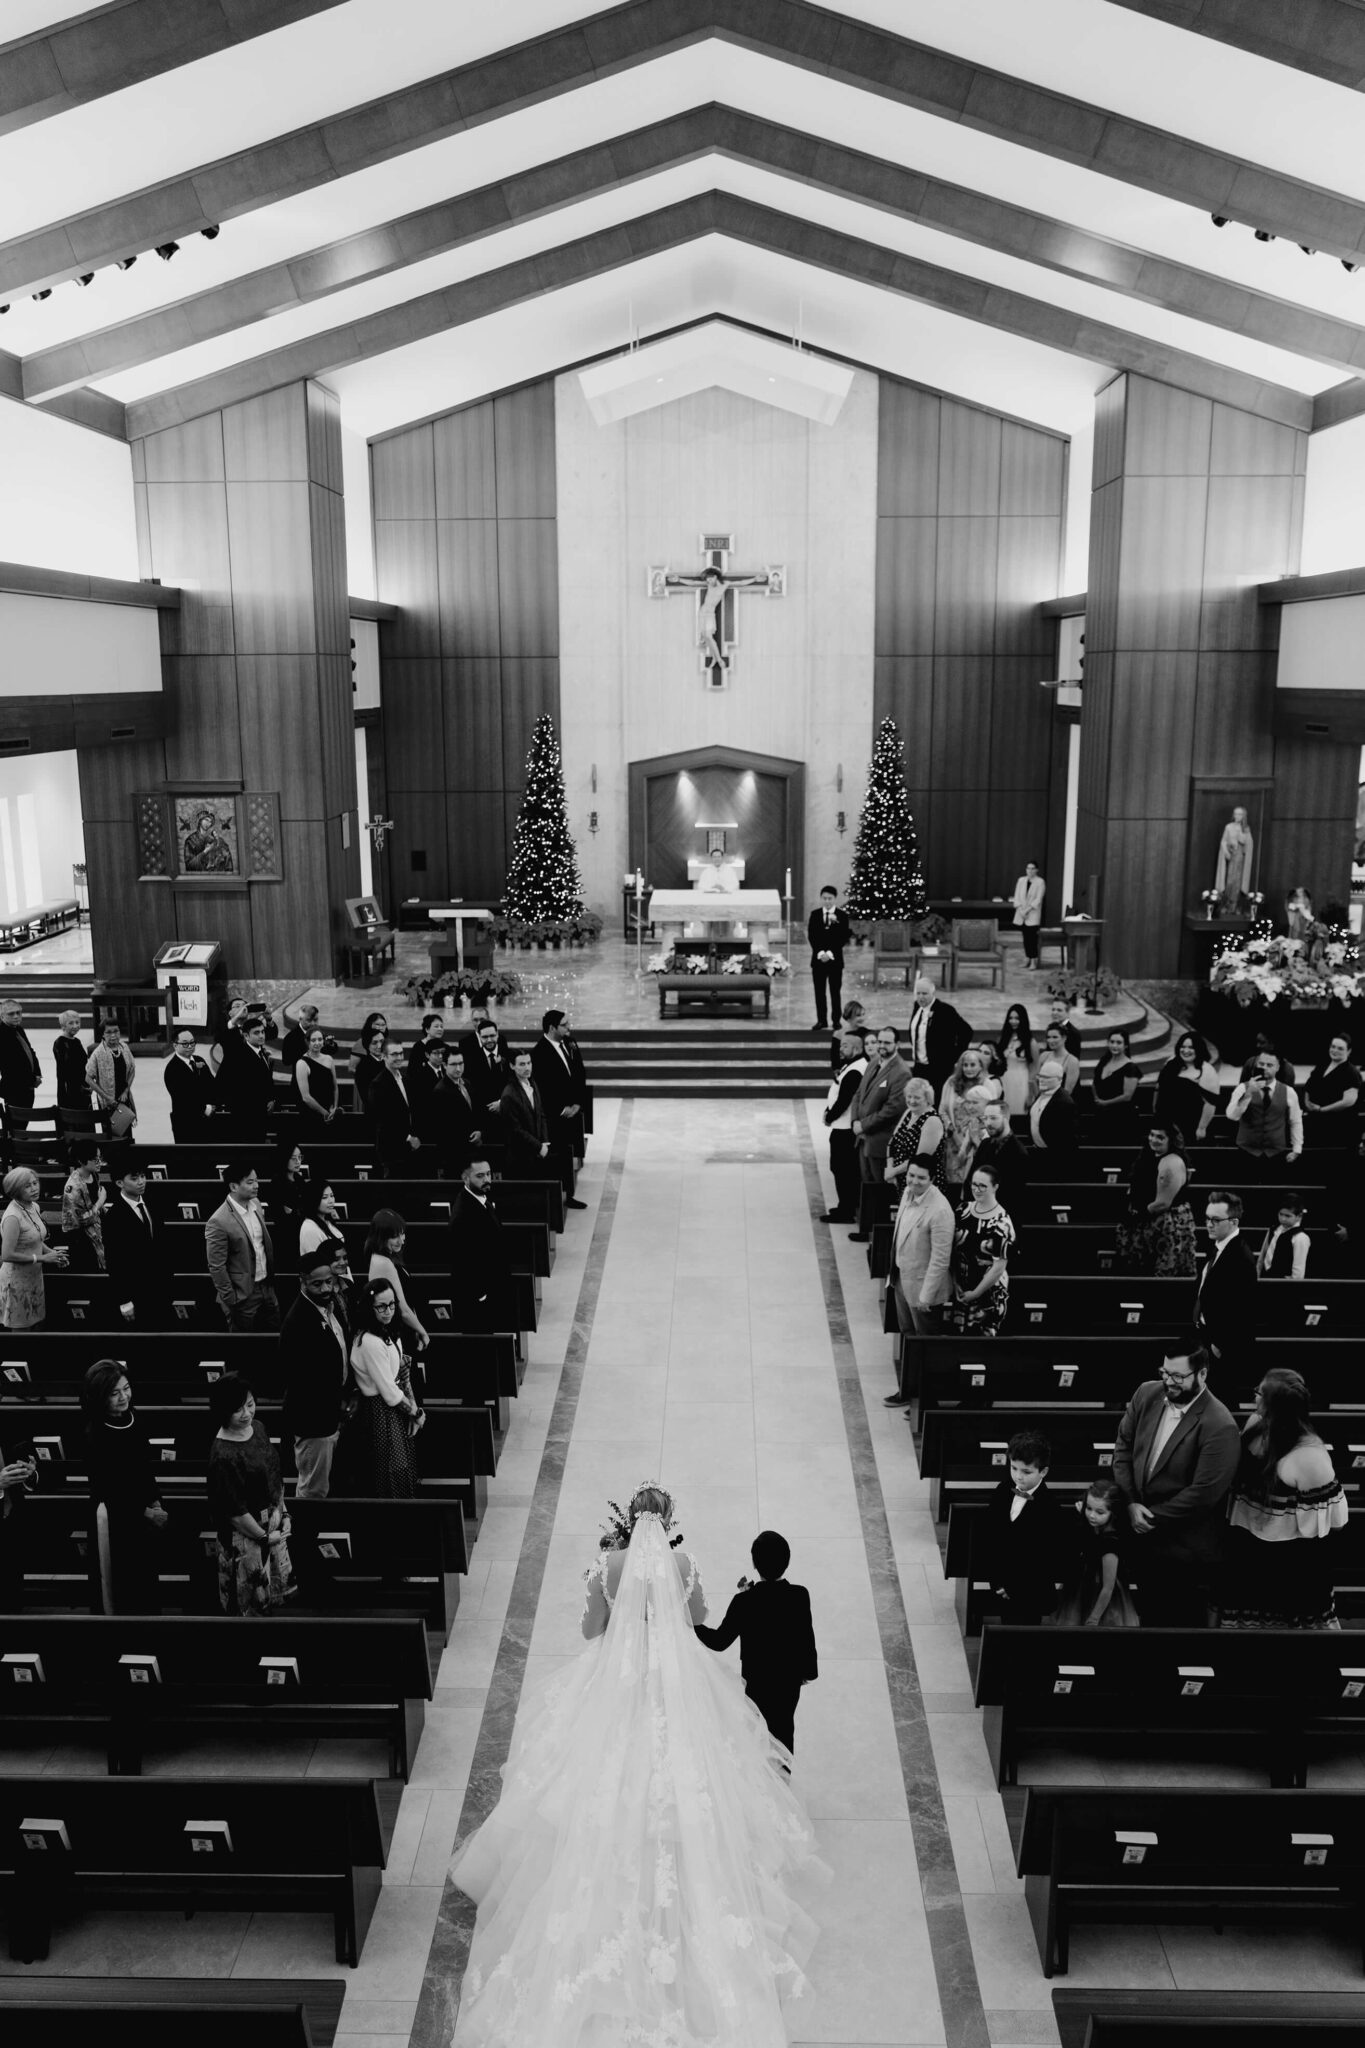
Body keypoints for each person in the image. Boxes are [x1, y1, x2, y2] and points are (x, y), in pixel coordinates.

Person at [449, 1485, 825, 2046]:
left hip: (618, 1683)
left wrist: (605, 1593)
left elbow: (590, 1631)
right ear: (668, 1521)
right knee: (692, 1770)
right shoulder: (684, 1562)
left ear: (630, 1521)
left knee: (595, 1769)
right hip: (673, 1681)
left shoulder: (609, 1563)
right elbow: (695, 1619)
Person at [1110, 1339, 1241, 1625]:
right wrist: (1132, 1503)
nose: (1169, 1382)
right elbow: (1123, 1449)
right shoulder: (1146, 1393)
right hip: (1142, 1539)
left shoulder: (1220, 1424)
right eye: (1165, 1372)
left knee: (1178, 1632)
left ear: (1203, 1374)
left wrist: (1150, 1517)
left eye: (1178, 1376)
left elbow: (1204, 1494)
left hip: (1184, 1553)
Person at [1219, 1367, 1348, 1630]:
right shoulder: (1255, 1425)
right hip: (1249, 1551)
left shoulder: (1309, 1456)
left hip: (1291, 1566)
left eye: (1259, 1393)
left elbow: (1338, 1521)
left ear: (1273, 1404)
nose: (1254, 1398)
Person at [695, 1528, 819, 1752]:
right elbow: (806, 1637)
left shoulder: (744, 1601)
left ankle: (761, 1782)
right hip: (788, 1681)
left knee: (756, 1735)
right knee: (784, 1730)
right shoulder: (800, 1595)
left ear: (755, 1563)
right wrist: (809, 1672)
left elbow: (719, 1641)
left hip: (757, 1680)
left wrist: (692, 1625)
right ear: (786, 1561)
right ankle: (783, 1778)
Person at [82, 1361, 167, 1614]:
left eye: (126, 1389)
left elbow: (144, 1468)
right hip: (115, 1519)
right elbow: (107, 1487)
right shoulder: (94, 1433)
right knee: (121, 1587)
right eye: (114, 1393)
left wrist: (156, 1502)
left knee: (146, 1583)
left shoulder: (133, 1419)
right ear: (100, 1396)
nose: (123, 1397)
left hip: (143, 1513)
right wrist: (146, 1513)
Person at [206, 1374, 295, 1616]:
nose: (247, 1413)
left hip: (271, 1524)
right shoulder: (223, 1456)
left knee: (275, 1598)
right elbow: (234, 1513)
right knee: (251, 1607)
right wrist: (265, 1537)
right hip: (246, 1539)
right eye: (237, 1409)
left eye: (250, 1404)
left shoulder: (257, 1428)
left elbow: (274, 1474)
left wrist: (284, 1512)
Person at [981, 1430, 1073, 1625]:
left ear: (1043, 1472)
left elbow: (1043, 1558)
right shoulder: (1003, 1489)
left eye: (1026, 1472)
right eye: (1014, 1468)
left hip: (1030, 1590)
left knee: (1024, 1634)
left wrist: (1014, 1587)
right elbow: (991, 1535)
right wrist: (997, 1581)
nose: (1018, 1477)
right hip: (1001, 1580)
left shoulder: (1049, 1507)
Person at [281, 1254, 354, 1501]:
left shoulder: (330, 1307)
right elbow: (302, 1381)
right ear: (302, 1282)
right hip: (314, 1420)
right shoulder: (298, 1321)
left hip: (334, 1413)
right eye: (317, 1284)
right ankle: (303, 1538)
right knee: (313, 1490)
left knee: (332, 1484)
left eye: (329, 1282)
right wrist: (336, 1405)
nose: (325, 1288)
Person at [349, 1276, 423, 1496]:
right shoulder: (370, 1341)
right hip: (379, 1411)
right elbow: (389, 1393)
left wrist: (413, 1407)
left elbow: (402, 1372)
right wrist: (416, 1413)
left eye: (392, 1304)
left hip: (395, 1408)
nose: (388, 1311)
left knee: (402, 1468)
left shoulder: (390, 1331)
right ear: (369, 1308)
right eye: (381, 1306)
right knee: (389, 1472)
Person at [1053, 1478, 1139, 1629]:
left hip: (1102, 1600)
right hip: (1082, 1589)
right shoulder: (1092, 1526)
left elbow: (1108, 1587)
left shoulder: (1110, 1543)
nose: (1092, 1515)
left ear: (1114, 1513)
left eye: (1100, 1512)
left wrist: (1093, 1619)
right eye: (1089, 1508)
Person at [205, 1159, 279, 1332]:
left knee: (275, 1335)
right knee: (245, 1347)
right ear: (233, 1187)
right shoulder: (218, 1221)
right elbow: (216, 1266)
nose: (256, 1185)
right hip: (243, 1294)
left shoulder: (257, 1204)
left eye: (257, 1181)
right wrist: (231, 1298)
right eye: (250, 1182)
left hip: (267, 1286)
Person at [887, 1157, 955, 1345]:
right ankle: (909, 1373)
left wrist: (927, 1296)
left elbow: (940, 1260)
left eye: (921, 1178)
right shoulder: (908, 1192)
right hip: (902, 1278)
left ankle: (921, 1375)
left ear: (932, 1179)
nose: (914, 1181)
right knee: (907, 1332)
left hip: (924, 1288)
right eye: (911, 1175)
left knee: (925, 1340)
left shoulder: (940, 1210)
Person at [1114, 1122, 1196, 1276]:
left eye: (1160, 1137)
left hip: (1165, 1225)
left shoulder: (1171, 1162)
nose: (1154, 1139)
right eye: (1152, 1135)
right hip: (1143, 1221)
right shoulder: (1147, 1155)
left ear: (1170, 1140)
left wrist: (1137, 1215)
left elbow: (1163, 1203)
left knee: (1163, 1270)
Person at [849, 1024, 910, 1228]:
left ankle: (879, 1235)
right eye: (880, 1041)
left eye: (887, 1042)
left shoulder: (901, 1072)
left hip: (880, 1140)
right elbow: (859, 1094)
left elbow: (892, 1109)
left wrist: (863, 1125)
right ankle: (866, 1229)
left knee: (880, 1190)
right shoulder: (873, 1062)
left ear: (897, 1044)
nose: (882, 1046)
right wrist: (855, 1121)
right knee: (866, 1186)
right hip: (863, 1137)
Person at [102, 1153, 173, 1326]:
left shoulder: (153, 1202)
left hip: (160, 1285)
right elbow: (115, 1262)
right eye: (135, 1178)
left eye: (142, 1176)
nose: (141, 1182)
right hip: (135, 1290)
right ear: (120, 1183)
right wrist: (124, 1300)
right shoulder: (113, 1217)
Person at [1194, 1189, 1259, 1374]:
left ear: (1234, 1222)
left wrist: (1220, 1344)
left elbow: (1243, 1307)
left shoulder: (1240, 1257)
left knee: (1223, 1397)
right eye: (1207, 1218)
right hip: (1207, 1334)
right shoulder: (1217, 1246)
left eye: (1215, 1220)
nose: (1208, 1224)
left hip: (1223, 1344)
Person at [448, 1156, 513, 1332]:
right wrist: (481, 1295)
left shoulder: (480, 1198)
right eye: (480, 1176)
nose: (486, 1180)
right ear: (466, 1178)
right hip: (477, 1298)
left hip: (491, 1288)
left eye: (488, 1174)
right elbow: (463, 1259)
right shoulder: (463, 1214)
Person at [531, 1010, 590, 1201]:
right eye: (565, 1024)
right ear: (552, 1028)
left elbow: (579, 1074)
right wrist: (562, 1108)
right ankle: (561, 1196)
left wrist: (577, 1103)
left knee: (569, 1151)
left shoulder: (570, 1044)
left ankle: (569, 1193)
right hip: (556, 1115)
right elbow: (543, 1087)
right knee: (559, 1154)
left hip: (573, 1110)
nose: (569, 1027)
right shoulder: (539, 1053)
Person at [950, 1161, 1015, 1335]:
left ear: (995, 1187)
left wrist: (976, 1293)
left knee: (981, 1342)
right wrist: (954, 1281)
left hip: (987, 1290)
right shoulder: (962, 1210)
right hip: (962, 1285)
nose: (977, 1189)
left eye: (983, 1186)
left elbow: (998, 1267)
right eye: (974, 1184)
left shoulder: (1002, 1222)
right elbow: (953, 1251)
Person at [0, 1167, 66, 1328]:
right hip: (16, 1282)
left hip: (34, 1276)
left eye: (35, 1183)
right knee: (21, 1328)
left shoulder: (34, 1206)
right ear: (15, 1190)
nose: (34, 1188)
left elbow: (35, 1238)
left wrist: (52, 1253)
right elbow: (7, 1254)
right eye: (27, 1186)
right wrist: (42, 1258)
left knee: (34, 1322)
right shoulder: (12, 1218)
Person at [365, 1207, 430, 1355]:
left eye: (402, 1233)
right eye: (395, 1236)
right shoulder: (383, 1263)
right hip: (397, 1332)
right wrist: (422, 1331)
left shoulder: (386, 1256)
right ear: (381, 1237)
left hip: (402, 1329)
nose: (401, 1240)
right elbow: (403, 1309)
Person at [938, 1046, 1004, 1192]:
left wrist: (975, 1138)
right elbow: (942, 1110)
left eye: (973, 1064)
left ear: (981, 1065)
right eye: (965, 1065)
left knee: (975, 1182)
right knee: (954, 1184)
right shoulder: (951, 1082)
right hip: (953, 1140)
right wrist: (952, 1131)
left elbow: (992, 1112)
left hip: (978, 1141)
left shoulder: (988, 1084)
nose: (968, 1069)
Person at [1227, 1050, 1303, 1175]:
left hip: (1276, 1153)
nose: (1264, 1068)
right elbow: (1231, 1116)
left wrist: (1297, 1148)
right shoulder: (1242, 1088)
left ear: (1278, 1067)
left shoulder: (1289, 1092)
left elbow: (1295, 1121)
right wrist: (1248, 1094)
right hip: (1246, 1152)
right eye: (1261, 1064)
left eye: (1269, 1065)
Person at [820, 1029, 868, 1222]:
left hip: (844, 1128)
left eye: (845, 1045)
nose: (841, 1049)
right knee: (842, 1168)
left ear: (856, 1048)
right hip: (842, 1126)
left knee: (842, 1169)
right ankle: (846, 1205)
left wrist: (829, 1116)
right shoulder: (853, 1065)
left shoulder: (856, 1070)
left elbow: (845, 1099)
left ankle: (846, 1210)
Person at [905, 975, 971, 1098]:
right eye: (918, 993)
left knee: (935, 1101)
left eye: (924, 994)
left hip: (938, 1069)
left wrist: (954, 1056)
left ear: (932, 993)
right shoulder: (917, 1006)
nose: (920, 997)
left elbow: (966, 1032)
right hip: (919, 1066)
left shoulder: (945, 1010)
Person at [963, 1099, 1029, 1219]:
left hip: (1003, 1217)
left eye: (993, 1118)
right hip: (979, 1211)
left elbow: (1013, 1196)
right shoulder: (985, 1144)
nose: (988, 1123)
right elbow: (970, 1180)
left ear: (1006, 1118)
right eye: (985, 1118)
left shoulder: (1018, 1152)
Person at [499, 1048, 556, 1182]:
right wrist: (539, 1146)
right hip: (520, 1157)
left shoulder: (532, 1084)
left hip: (536, 1152)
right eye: (522, 1064)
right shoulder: (509, 1094)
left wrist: (545, 1141)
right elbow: (516, 1130)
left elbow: (540, 1114)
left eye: (529, 1063)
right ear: (512, 1066)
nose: (527, 1068)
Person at [885, 1075, 948, 1193]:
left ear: (927, 1099)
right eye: (909, 1096)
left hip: (923, 1182)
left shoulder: (932, 1120)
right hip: (903, 1179)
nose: (912, 1101)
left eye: (917, 1097)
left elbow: (919, 1160)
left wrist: (894, 1171)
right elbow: (892, 1143)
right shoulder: (909, 1112)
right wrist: (889, 1168)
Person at [217, 1015, 275, 1141]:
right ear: (246, 1036)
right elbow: (221, 1082)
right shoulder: (235, 1054)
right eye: (256, 1033)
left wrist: (271, 1099)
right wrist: (237, 1107)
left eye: (263, 1032)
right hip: (243, 1116)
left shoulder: (262, 1052)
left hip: (261, 1114)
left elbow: (265, 1080)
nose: (261, 1036)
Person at [1154, 1032, 1220, 1142]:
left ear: (1199, 1049)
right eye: (1183, 1047)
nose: (1185, 1051)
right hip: (1165, 1121)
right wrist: (1155, 1112)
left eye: (1191, 1047)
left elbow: (1210, 1103)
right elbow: (1159, 1087)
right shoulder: (1171, 1063)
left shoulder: (1207, 1070)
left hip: (1190, 1124)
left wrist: (1201, 1128)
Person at [369, 1040, 421, 1175]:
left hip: (409, 1148)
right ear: (384, 1056)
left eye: (401, 1053)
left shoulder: (406, 1079)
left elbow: (412, 1110)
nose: (399, 1057)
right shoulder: (378, 1084)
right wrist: (409, 1138)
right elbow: (384, 1119)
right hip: (390, 1149)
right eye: (394, 1054)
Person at [1303, 1033, 1361, 1150]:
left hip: (1338, 1126)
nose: (1335, 1050)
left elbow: (1348, 1101)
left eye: (1340, 1048)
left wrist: (1321, 1110)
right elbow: (1308, 1087)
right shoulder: (1322, 1065)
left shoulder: (1351, 1073)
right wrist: (1308, 1104)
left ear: (1349, 1051)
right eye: (1333, 1046)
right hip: (1315, 1121)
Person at [807, 884, 851, 1032]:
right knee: (819, 992)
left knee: (834, 991)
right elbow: (812, 936)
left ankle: (836, 1021)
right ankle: (821, 1020)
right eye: (824, 898)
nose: (827, 901)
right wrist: (820, 953)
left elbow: (842, 937)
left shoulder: (842, 916)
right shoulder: (815, 915)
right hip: (818, 960)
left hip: (835, 960)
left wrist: (830, 954)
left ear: (835, 899)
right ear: (821, 899)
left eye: (830, 898)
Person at [431, 1045, 479, 1178]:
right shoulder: (440, 1091)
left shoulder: (467, 1083)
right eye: (453, 1064)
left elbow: (474, 1114)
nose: (458, 1068)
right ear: (444, 1065)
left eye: (461, 1063)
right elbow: (444, 1129)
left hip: (471, 1152)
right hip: (454, 1156)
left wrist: (479, 1131)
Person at [84, 1017, 137, 1139]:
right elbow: (88, 1078)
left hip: (124, 1100)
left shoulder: (124, 1048)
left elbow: (132, 1070)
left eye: (116, 1031)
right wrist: (107, 1097)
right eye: (109, 1032)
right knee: (112, 1136)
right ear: (102, 1034)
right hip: (108, 1103)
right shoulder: (98, 1053)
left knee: (127, 1134)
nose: (113, 1035)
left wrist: (126, 1091)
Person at [60, 1137, 106, 1273]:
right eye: (95, 1159)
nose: (100, 1162)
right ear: (81, 1161)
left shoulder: (93, 1175)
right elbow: (79, 1220)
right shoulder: (73, 1187)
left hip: (97, 1229)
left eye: (100, 1157)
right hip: (81, 1238)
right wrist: (100, 1201)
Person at [164, 1029, 217, 1142]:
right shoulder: (172, 1069)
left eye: (192, 1042)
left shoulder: (199, 1060)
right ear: (175, 1045)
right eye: (185, 1043)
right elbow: (183, 1098)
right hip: (186, 1124)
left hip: (208, 1122)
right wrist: (205, 1108)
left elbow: (212, 1085)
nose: (190, 1046)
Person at [296, 1180, 351, 1287]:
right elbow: (316, 1266)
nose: (331, 1201)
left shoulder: (327, 1221)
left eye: (332, 1196)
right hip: (327, 1286)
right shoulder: (310, 1228)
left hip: (338, 1281)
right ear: (313, 1200)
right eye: (325, 1197)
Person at [1090, 1027, 1140, 1136]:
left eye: (1119, 1042)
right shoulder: (1104, 1061)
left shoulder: (1130, 1068)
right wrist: (1096, 1099)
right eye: (1112, 1042)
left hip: (1121, 1117)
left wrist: (1105, 1103)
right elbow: (1095, 1082)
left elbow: (1127, 1096)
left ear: (1126, 1045)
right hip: (1100, 1113)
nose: (1114, 1045)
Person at [1027, 1059, 1080, 1156]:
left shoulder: (1065, 1103)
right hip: (1038, 1152)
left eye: (1047, 1077)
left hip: (1056, 1156)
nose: (1041, 1080)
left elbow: (1068, 1138)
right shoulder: (1040, 1095)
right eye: (1040, 1076)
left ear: (1059, 1079)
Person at [994, 1005, 1036, 1118]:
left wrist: (1031, 1093)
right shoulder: (1002, 1039)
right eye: (1011, 1018)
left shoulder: (1030, 1042)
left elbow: (1034, 1067)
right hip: (1004, 1080)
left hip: (1021, 1081)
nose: (1013, 1021)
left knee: (1019, 1114)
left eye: (1017, 1018)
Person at [465, 1017, 511, 1118]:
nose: (489, 1040)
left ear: (497, 1034)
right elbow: (473, 1088)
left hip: (509, 1109)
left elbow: (513, 1082)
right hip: (484, 1112)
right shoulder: (472, 1059)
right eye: (485, 1037)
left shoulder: (509, 1055)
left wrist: (501, 1102)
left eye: (492, 1036)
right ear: (480, 1037)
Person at [0, 999, 41, 1110]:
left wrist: (37, 1073)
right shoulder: (2, 1034)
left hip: (28, 1087)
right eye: (11, 1014)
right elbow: (12, 1066)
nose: (16, 1016)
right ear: (2, 1016)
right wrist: (32, 1080)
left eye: (18, 1012)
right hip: (14, 1089)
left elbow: (30, 1051)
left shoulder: (19, 1029)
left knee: (23, 1123)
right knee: (16, 1124)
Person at [294, 1026, 338, 1126]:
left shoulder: (329, 1059)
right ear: (307, 1042)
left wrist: (334, 1107)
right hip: (311, 1115)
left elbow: (335, 1087)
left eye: (320, 1039)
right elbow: (306, 1097)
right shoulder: (301, 1063)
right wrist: (324, 1113)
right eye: (313, 1040)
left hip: (331, 1112)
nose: (317, 1043)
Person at [1258, 1195, 1310, 1279]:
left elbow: (1298, 1270)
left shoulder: (1300, 1237)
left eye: (1287, 1216)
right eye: (1281, 1214)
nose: (1283, 1219)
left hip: (1283, 1281)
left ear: (1299, 1216)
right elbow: (1262, 1257)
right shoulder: (1273, 1229)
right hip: (1265, 1276)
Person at [1215, 804, 1254, 913]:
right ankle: (1226, 903)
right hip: (1230, 856)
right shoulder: (1229, 827)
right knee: (1229, 881)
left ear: (1243, 816)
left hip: (1239, 857)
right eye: (1236, 813)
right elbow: (1223, 841)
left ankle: (1234, 904)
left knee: (1237, 881)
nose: (1237, 816)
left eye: (1240, 814)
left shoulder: (1245, 829)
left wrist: (1241, 834)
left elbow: (1247, 844)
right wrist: (1226, 851)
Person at [52, 1010, 90, 1115]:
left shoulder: (77, 1041)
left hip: (83, 1085)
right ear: (63, 1026)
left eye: (77, 1022)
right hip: (69, 1088)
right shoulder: (60, 1043)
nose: (75, 1026)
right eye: (71, 1023)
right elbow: (66, 1068)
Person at [1011, 861, 1045, 969]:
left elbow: (1038, 899)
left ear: (1037, 870)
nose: (1030, 871)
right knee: (1025, 938)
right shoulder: (1021, 880)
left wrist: (1027, 910)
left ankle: (1033, 961)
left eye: (1032, 868)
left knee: (1032, 938)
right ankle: (1027, 958)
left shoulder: (1040, 882)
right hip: (1021, 913)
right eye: (1028, 868)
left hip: (1032, 913)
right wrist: (1021, 910)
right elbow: (1016, 897)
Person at [352, 1025, 388, 1125]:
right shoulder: (363, 1067)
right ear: (367, 1045)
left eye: (382, 1041)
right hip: (376, 1117)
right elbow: (367, 1098)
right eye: (374, 1043)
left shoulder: (388, 1061)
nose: (379, 1046)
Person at [1037, 1023, 1081, 1101]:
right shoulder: (1043, 1056)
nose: (1051, 1040)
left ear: (1064, 1038)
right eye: (1048, 1037)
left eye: (1055, 1037)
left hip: (1059, 1103)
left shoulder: (1072, 1061)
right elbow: (1036, 1080)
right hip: (1041, 1100)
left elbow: (1067, 1091)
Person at [279, 1002, 320, 1077]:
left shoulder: (318, 1032)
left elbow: (332, 1050)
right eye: (309, 1020)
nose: (313, 1023)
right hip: (300, 1079)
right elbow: (286, 1061)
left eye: (315, 1020)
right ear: (300, 1019)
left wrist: (331, 1044)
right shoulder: (290, 1038)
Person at [829, 999, 867, 1074]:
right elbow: (835, 1061)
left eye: (863, 1014)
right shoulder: (838, 1034)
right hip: (845, 1072)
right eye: (858, 1015)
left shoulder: (867, 1033)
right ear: (849, 1016)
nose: (862, 1018)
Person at [1047, 997, 1082, 1062]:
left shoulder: (1074, 1034)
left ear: (1068, 1013)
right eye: (1053, 1009)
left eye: (1059, 1010)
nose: (1054, 1013)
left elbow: (1074, 1061)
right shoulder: (1050, 1029)